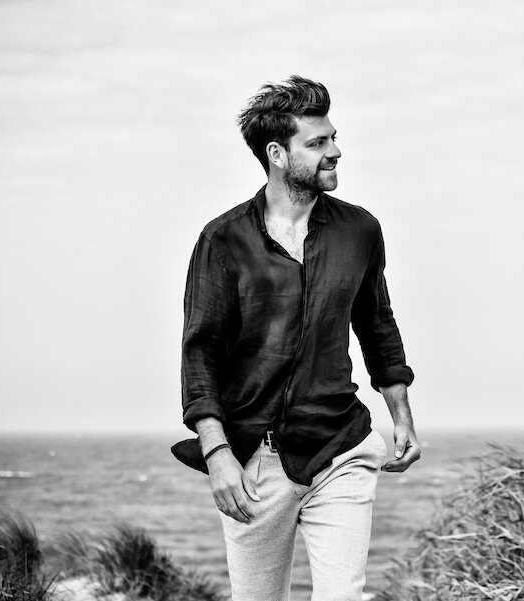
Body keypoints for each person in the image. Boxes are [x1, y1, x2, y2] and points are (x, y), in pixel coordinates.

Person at [179, 74, 419, 601]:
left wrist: (401, 417)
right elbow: (201, 354)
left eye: (333, 137)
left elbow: (377, 324)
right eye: (317, 143)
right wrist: (217, 454)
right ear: (277, 154)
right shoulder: (222, 240)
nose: (335, 151)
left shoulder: (360, 230)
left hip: (341, 446)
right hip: (255, 463)